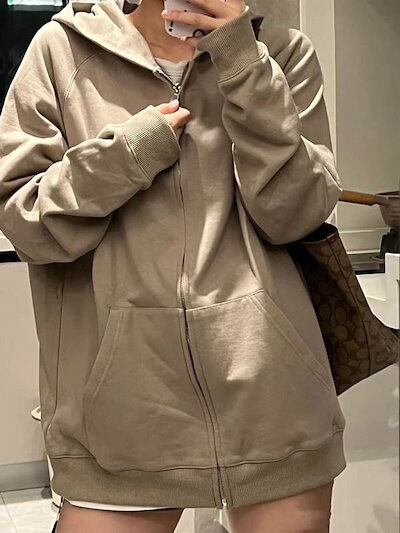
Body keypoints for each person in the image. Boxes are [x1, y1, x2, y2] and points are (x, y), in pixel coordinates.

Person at [0, 0, 347, 531]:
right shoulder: (62, 50)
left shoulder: (281, 53)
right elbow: (24, 220)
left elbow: (297, 214)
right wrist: (125, 156)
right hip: (120, 420)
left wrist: (244, 67)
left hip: (274, 405)